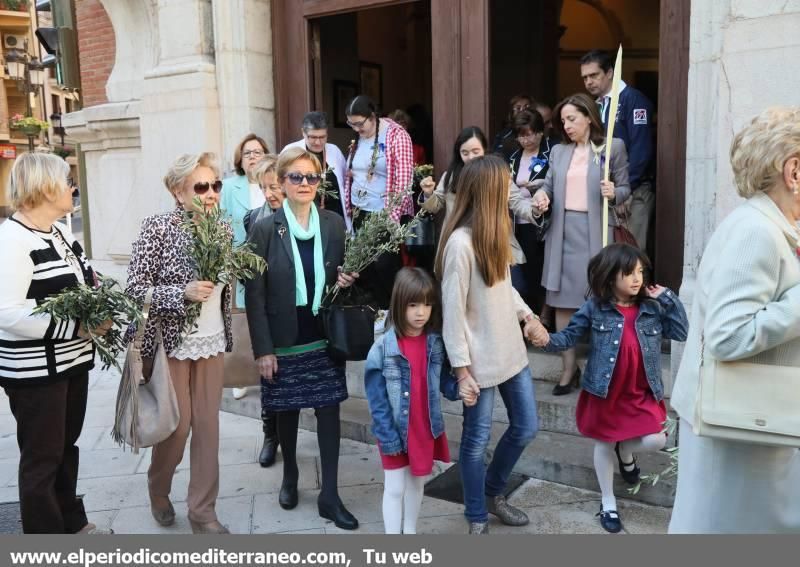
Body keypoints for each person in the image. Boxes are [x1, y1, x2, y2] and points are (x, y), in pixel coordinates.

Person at [668, 107, 800, 533]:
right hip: (741, 429)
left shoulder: (768, 226)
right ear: (793, 172)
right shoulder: (755, 231)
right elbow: (728, 335)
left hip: (755, 425)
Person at [532, 244, 688, 532]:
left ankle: (625, 453)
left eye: (640, 271)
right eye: (629, 273)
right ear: (609, 276)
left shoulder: (651, 307)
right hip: (606, 391)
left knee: (657, 439)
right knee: (603, 442)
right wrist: (544, 339)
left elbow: (681, 332)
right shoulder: (595, 308)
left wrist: (667, 297)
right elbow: (568, 337)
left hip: (641, 390)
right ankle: (608, 502)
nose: (637, 278)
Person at [245, 147, 360, 530]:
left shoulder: (332, 224)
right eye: (296, 177)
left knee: (329, 411)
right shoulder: (264, 229)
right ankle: (291, 474)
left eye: (311, 177)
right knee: (288, 411)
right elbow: (254, 293)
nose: (305, 184)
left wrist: (346, 281)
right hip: (284, 335)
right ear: (281, 182)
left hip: (323, 333)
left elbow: (343, 280)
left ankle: (330, 494)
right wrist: (263, 349)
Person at [0, 153, 112, 534]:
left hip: (71, 363)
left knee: (66, 450)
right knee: (42, 460)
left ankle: (71, 523)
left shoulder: (59, 231)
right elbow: (7, 313)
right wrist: (74, 328)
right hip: (35, 373)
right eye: (66, 181)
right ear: (44, 187)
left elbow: (85, 281)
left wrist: (102, 306)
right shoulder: (12, 240)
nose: (72, 188)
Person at [126, 152, 234, 534]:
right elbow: (135, 289)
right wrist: (180, 292)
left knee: (208, 427)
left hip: (212, 341)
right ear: (178, 191)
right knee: (178, 425)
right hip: (171, 343)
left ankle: (203, 512)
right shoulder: (158, 228)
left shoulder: (223, 229)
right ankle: (158, 488)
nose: (210, 194)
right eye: (201, 186)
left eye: (215, 185)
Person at [435, 155, 543, 535]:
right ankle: (477, 513)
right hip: (477, 362)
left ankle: (493, 493)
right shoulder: (460, 245)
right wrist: (462, 369)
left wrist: (529, 317)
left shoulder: (496, 233)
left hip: (512, 352)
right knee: (475, 440)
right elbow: (452, 312)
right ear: (490, 192)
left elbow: (503, 289)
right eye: (507, 184)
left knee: (527, 427)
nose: (513, 189)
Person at [532, 93, 630, 396]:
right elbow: (547, 185)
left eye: (572, 118)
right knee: (561, 299)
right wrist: (540, 197)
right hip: (562, 232)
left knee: (601, 298)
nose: (567, 125)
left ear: (589, 117)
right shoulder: (559, 152)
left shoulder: (612, 146)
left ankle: (603, 369)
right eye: (563, 121)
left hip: (596, 231)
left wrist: (614, 191)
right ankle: (568, 368)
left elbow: (627, 189)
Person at [364, 268, 458, 534]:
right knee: (394, 488)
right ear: (399, 303)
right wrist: (388, 436)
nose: (421, 312)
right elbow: (377, 401)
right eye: (414, 304)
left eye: (427, 305)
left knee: (418, 483)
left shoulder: (434, 344)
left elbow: (442, 382)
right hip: (394, 430)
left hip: (423, 428)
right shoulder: (383, 349)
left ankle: (410, 531)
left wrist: (459, 387)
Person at [419, 126, 539, 289]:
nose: (470, 157)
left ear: (485, 150)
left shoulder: (497, 174)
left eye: (476, 151)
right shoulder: (451, 176)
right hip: (459, 243)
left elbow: (518, 202)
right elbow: (436, 205)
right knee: (461, 290)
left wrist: (537, 208)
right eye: (465, 153)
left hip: (493, 240)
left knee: (513, 289)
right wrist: (428, 194)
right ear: (458, 153)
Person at [343, 95, 414, 315]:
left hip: (385, 211)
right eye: (351, 124)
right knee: (365, 267)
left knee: (384, 264)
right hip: (360, 210)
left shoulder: (396, 136)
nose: (356, 128)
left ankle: (395, 313)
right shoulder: (359, 139)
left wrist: (390, 218)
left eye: (359, 123)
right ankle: (377, 313)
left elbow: (404, 181)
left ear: (373, 116)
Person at [581, 50, 655, 252]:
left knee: (630, 256)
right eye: (585, 77)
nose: (588, 82)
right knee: (608, 257)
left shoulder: (633, 100)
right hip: (606, 192)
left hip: (632, 190)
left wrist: (624, 190)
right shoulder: (595, 105)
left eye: (594, 75)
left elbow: (641, 148)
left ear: (610, 72)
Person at [219, 133, 270, 400]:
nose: (253, 157)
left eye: (258, 152)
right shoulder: (229, 187)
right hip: (240, 262)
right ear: (240, 158)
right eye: (248, 153)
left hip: (270, 260)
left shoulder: (271, 183)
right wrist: (227, 260)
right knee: (244, 316)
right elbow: (221, 224)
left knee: (267, 314)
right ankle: (243, 372)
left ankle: (268, 370)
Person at [241, 154, 283, 468]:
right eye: (265, 187)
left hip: (294, 310)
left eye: (276, 185)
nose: (271, 193)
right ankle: (270, 436)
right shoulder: (253, 218)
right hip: (266, 310)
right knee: (268, 378)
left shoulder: (304, 216)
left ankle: (288, 433)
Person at [506, 109, 554, 316]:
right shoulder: (513, 157)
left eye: (530, 133)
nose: (525, 139)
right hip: (518, 221)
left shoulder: (552, 151)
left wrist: (539, 187)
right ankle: (529, 314)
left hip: (544, 219)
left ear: (540, 132)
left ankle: (544, 313)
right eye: (521, 135)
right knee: (524, 271)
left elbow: (556, 183)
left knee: (542, 268)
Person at [281, 111, 350, 231]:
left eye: (322, 137)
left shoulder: (334, 151)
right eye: (313, 137)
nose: (318, 142)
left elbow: (345, 183)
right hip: (302, 219)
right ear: (303, 132)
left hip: (334, 220)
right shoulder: (290, 151)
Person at [492, 94, 535, 159]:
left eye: (527, 107)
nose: (522, 111)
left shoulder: (538, 133)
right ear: (512, 113)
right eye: (518, 108)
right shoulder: (503, 136)